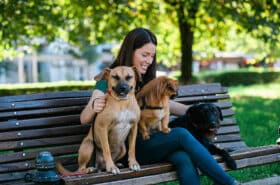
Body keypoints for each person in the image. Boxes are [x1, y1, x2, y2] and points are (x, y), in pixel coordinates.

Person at [80, 27, 238, 185]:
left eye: (152, 56)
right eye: (144, 55)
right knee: (181, 134)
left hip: (151, 141)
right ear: (130, 51)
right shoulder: (110, 78)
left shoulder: (143, 79)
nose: (149, 61)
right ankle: (230, 183)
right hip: (127, 148)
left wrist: (197, 111)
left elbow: (165, 104)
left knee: (183, 157)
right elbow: (84, 118)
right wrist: (95, 105)